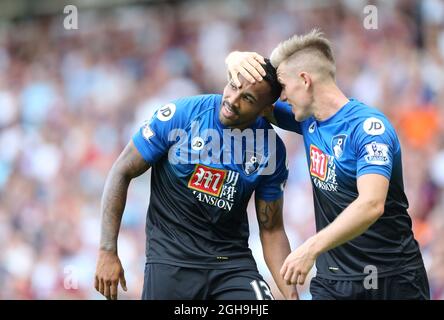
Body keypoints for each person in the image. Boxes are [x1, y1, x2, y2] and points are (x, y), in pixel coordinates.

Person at [225, 29, 430, 300]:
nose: (282, 97)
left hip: (392, 279)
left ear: (305, 80)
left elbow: (371, 204)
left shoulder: (369, 129)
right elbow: (255, 102)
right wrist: (234, 58)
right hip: (334, 282)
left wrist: (310, 248)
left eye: (284, 87)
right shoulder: (307, 119)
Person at [94, 58, 298, 300]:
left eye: (248, 99)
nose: (232, 101)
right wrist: (107, 250)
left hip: (231, 264)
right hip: (171, 260)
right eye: (233, 86)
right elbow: (121, 171)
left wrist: (292, 296)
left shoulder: (270, 150)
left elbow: (272, 229)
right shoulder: (180, 115)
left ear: (266, 109)